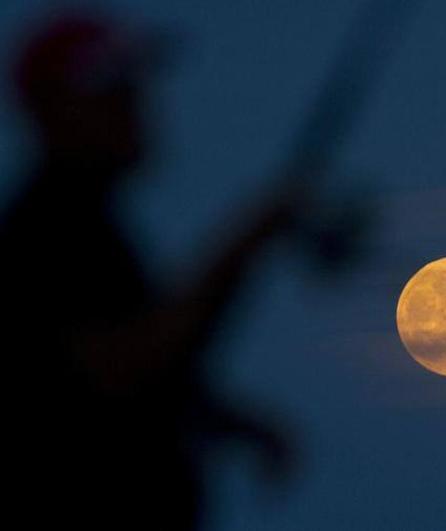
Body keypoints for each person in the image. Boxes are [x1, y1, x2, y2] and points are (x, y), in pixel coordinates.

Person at [0, 13, 314, 529]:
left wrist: (235, 425)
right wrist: (247, 241)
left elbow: (130, 385)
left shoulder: (97, 230)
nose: (135, 105)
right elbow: (116, 368)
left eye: (135, 87)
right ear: (50, 111)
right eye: (110, 89)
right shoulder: (43, 228)